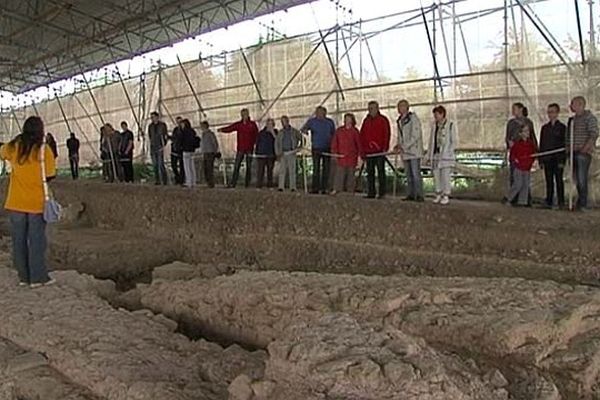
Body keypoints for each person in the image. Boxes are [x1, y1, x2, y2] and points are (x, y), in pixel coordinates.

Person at [0, 116, 56, 287]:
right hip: (36, 202)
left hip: (16, 201)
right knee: (36, 240)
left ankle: (23, 277)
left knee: (18, 240)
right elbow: (50, 175)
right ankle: (38, 278)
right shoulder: (44, 150)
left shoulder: (14, 147)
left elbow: (2, 152)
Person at [567, 96, 599, 211]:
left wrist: (585, 148)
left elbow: (594, 134)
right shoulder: (573, 119)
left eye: (573, 104)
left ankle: (583, 203)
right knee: (576, 178)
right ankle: (580, 201)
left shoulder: (590, 118)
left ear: (581, 105)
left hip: (583, 154)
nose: (571, 106)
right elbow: (569, 136)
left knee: (582, 178)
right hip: (572, 153)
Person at [219, 108, 259, 188]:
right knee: (237, 165)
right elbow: (231, 128)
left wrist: (255, 144)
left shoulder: (252, 124)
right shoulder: (239, 124)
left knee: (249, 166)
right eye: (243, 114)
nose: (244, 116)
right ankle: (233, 183)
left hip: (249, 148)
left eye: (245, 114)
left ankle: (247, 184)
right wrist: (222, 130)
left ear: (248, 115)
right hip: (240, 148)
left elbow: (256, 135)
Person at [360, 101, 391, 199]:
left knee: (381, 172)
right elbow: (362, 135)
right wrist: (363, 151)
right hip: (368, 152)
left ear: (377, 108)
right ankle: (371, 192)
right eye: (369, 108)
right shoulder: (366, 121)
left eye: (372, 108)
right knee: (370, 172)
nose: (370, 110)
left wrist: (384, 148)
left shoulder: (383, 120)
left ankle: (382, 193)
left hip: (379, 151)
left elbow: (386, 134)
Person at [301, 106, 336, 194]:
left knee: (326, 169)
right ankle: (315, 188)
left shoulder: (329, 122)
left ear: (324, 113)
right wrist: (305, 131)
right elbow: (303, 128)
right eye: (317, 112)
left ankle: (324, 188)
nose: (318, 114)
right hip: (316, 147)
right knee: (316, 169)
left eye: (320, 112)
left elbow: (334, 134)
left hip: (327, 147)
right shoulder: (312, 121)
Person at [395, 100, 424, 202]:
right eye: (398, 107)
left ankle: (419, 194)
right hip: (405, 152)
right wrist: (398, 145)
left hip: (413, 151)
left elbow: (416, 135)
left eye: (401, 106)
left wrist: (405, 146)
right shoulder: (399, 121)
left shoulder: (413, 118)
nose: (399, 108)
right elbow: (400, 136)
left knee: (416, 174)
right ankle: (411, 194)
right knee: (408, 174)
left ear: (407, 107)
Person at [428, 105, 457, 205]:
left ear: (442, 114)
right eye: (434, 115)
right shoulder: (434, 125)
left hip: (446, 155)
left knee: (445, 175)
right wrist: (429, 155)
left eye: (437, 114)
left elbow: (454, 141)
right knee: (436, 175)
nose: (435, 117)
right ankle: (438, 193)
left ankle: (446, 194)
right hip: (436, 154)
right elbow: (431, 141)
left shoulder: (450, 125)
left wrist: (449, 151)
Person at [539, 104, 566, 209]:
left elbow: (564, 144)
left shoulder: (562, 128)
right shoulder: (545, 128)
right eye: (549, 112)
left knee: (559, 180)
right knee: (549, 181)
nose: (551, 114)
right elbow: (542, 143)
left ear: (557, 113)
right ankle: (549, 200)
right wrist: (541, 159)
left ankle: (561, 201)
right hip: (547, 158)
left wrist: (562, 160)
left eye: (553, 112)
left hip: (558, 159)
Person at [331, 113, 360, 194]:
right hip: (341, 156)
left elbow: (358, 143)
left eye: (348, 119)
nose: (347, 121)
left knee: (351, 174)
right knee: (339, 173)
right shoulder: (339, 130)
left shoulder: (355, 131)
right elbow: (334, 142)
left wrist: (360, 155)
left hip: (351, 156)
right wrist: (334, 153)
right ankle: (337, 189)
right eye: (345, 119)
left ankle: (350, 190)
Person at [507, 125, 537, 207]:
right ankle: (509, 198)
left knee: (525, 185)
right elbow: (512, 155)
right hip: (519, 167)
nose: (527, 133)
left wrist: (531, 162)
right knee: (518, 184)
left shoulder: (531, 144)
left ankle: (522, 202)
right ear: (520, 133)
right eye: (525, 131)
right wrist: (516, 161)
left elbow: (533, 154)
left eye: (528, 131)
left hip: (527, 168)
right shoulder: (517, 144)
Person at [275, 115, 303, 192]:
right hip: (283, 153)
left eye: (284, 121)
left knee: (292, 170)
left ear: (287, 121)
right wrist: (278, 153)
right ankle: (281, 186)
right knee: (282, 171)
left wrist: (299, 148)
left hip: (291, 152)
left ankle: (293, 187)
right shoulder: (280, 132)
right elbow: (276, 143)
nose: (283, 123)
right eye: (282, 122)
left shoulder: (294, 131)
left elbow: (302, 138)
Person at [147, 111, 168, 185]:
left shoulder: (162, 125)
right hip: (153, 147)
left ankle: (164, 180)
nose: (152, 119)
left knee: (160, 164)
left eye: (153, 117)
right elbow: (150, 136)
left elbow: (165, 135)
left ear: (157, 117)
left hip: (160, 146)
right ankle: (157, 180)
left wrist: (164, 144)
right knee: (155, 164)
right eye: (151, 117)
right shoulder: (150, 126)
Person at [255, 118, 277, 189]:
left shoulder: (276, 132)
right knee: (260, 170)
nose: (269, 125)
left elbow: (277, 141)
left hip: (271, 154)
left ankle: (270, 185)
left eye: (271, 124)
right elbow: (257, 142)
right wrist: (257, 152)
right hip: (261, 154)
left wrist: (272, 133)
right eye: (268, 123)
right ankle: (259, 185)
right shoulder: (261, 133)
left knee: (270, 170)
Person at [200, 121, 219, 188]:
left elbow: (215, 143)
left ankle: (211, 183)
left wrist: (215, 151)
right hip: (205, 153)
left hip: (210, 153)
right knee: (206, 168)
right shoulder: (203, 134)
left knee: (209, 168)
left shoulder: (210, 134)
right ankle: (208, 182)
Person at [180, 119, 199, 188]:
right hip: (192, 150)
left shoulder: (184, 132)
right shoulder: (192, 131)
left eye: (182, 124)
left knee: (187, 167)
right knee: (192, 167)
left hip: (186, 150)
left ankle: (189, 182)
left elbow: (180, 140)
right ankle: (193, 182)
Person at [170, 116, 185, 185]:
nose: (179, 123)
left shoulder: (184, 130)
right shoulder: (175, 129)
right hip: (174, 149)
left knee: (182, 165)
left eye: (180, 122)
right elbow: (174, 138)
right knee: (173, 165)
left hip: (181, 149)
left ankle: (182, 179)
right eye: (177, 122)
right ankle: (177, 177)